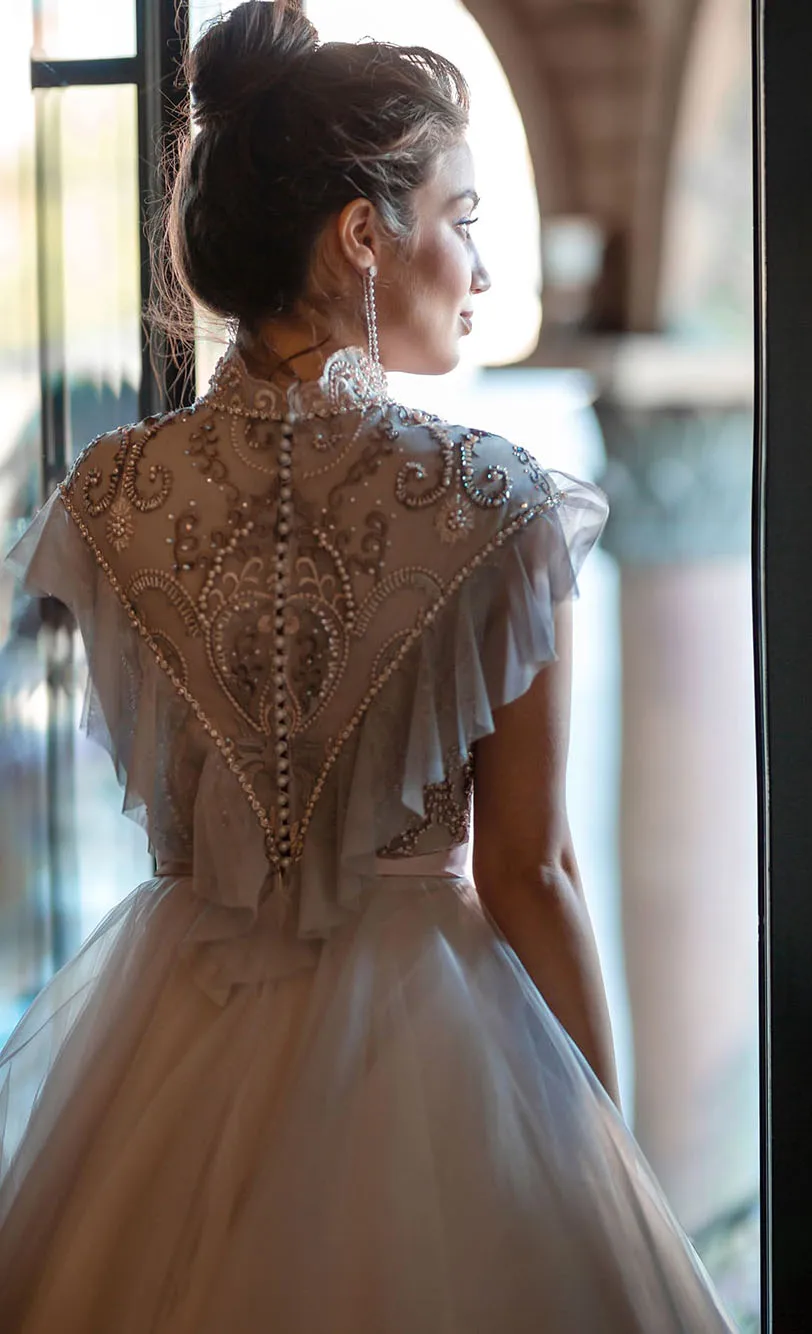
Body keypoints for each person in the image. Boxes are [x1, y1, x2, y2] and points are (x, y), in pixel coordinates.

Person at [0, 3, 736, 1329]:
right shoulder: (493, 507)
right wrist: (599, 1141)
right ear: (362, 236)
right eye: (465, 216)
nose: (484, 271)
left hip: (166, 1042)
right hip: (432, 1057)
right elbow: (531, 869)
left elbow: (178, 797)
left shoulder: (108, 501)